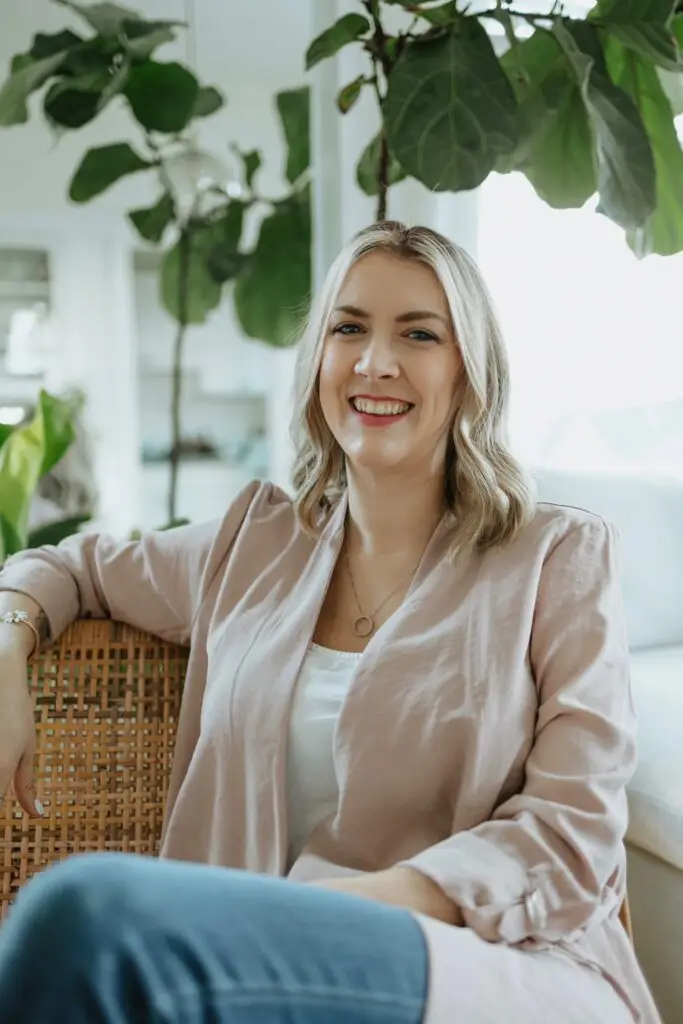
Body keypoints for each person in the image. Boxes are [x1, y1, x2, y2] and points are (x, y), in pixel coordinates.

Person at [0, 222, 660, 1024]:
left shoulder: (554, 557)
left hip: (499, 965)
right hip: (262, 965)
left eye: (418, 334)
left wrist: (332, 912)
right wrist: (9, 644)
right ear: (318, 358)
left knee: (81, 913)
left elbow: (572, 831)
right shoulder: (252, 545)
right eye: (348, 328)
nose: (374, 362)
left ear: (468, 374)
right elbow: (69, 569)